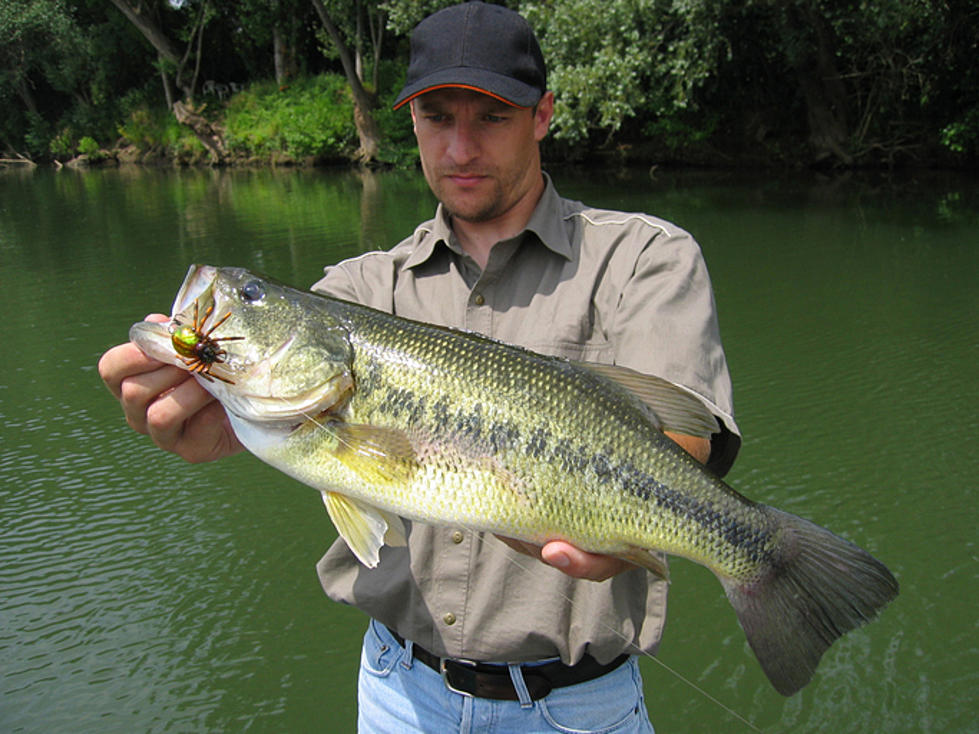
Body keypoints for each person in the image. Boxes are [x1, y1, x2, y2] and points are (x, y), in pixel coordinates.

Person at [99, 3, 740, 732]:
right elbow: (316, 432)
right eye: (437, 117)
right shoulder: (354, 291)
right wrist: (224, 427)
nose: (460, 146)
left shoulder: (645, 259)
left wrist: (615, 521)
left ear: (543, 115)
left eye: (492, 117)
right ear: (409, 122)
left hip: (578, 707)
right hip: (399, 695)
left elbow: (686, 444)